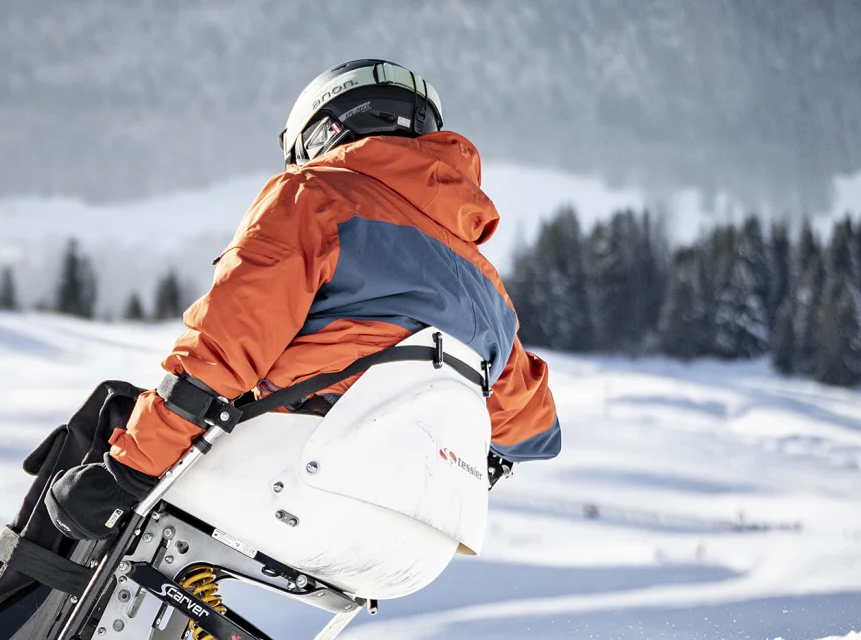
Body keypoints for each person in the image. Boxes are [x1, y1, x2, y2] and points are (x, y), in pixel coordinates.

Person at [44, 59, 562, 541]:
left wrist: (129, 472)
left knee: (113, 418)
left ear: (326, 131)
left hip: (298, 477)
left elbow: (224, 349)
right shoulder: (485, 283)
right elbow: (534, 430)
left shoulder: (313, 195)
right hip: (419, 529)